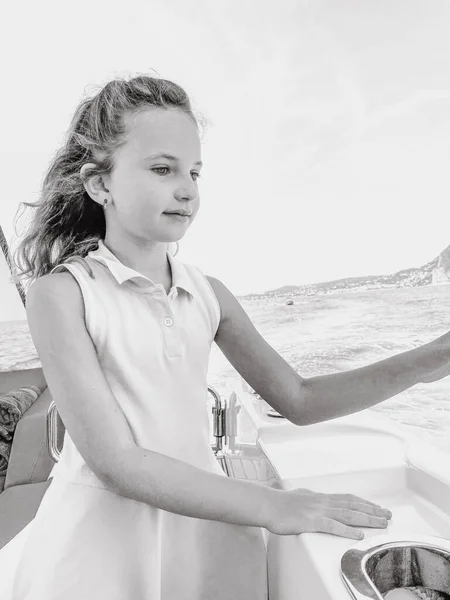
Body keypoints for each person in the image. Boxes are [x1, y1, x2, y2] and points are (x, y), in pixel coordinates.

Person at [2, 73, 450, 600]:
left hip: (204, 529)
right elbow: (118, 462)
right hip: (101, 546)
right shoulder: (64, 293)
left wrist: (433, 358)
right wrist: (275, 504)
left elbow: (300, 399)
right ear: (100, 184)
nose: (187, 188)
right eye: (162, 168)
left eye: (194, 171)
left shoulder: (208, 292)